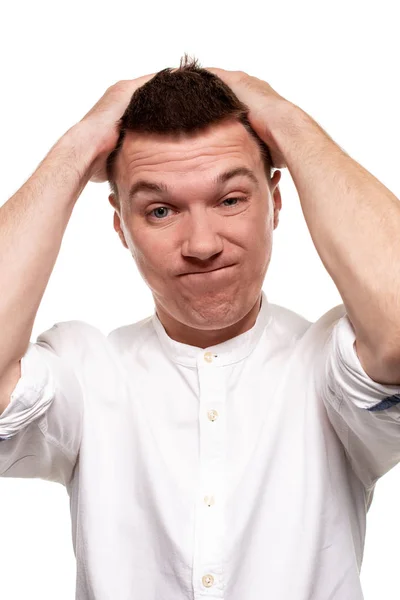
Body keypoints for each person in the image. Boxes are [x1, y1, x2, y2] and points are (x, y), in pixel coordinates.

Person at [1, 54, 400, 600]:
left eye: (231, 199)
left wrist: (286, 120)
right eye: (161, 210)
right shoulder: (87, 371)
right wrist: (77, 146)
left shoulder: (329, 365)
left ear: (276, 204)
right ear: (121, 226)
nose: (203, 244)